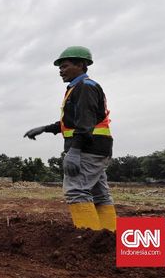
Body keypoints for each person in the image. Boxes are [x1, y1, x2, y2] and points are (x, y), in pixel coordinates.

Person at [23, 46, 116, 231]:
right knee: (99, 195)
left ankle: (89, 241)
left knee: (76, 191)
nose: (60, 71)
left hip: (87, 149)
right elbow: (73, 122)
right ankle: (109, 238)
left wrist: (74, 150)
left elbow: (85, 123)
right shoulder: (79, 88)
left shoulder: (84, 87)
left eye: (64, 66)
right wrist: (46, 129)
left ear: (81, 65)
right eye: (60, 68)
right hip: (98, 149)